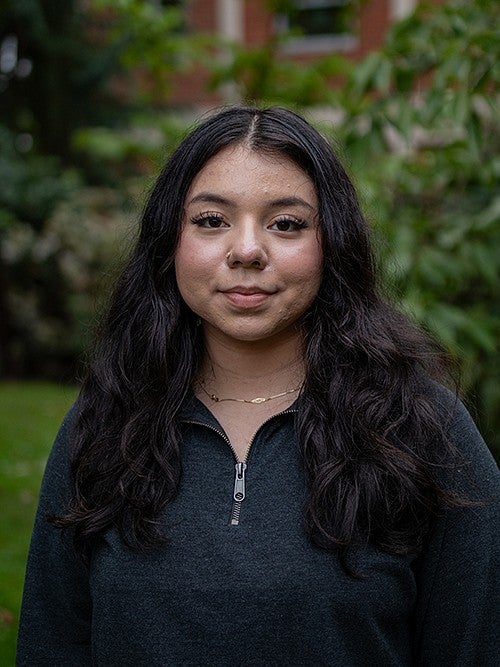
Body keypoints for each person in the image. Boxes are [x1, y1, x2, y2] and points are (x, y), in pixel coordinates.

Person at [17, 106, 499, 666]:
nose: (247, 251)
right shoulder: (102, 427)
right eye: (211, 221)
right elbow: (51, 645)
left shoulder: (420, 429)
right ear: (169, 241)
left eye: (286, 224)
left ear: (333, 244)